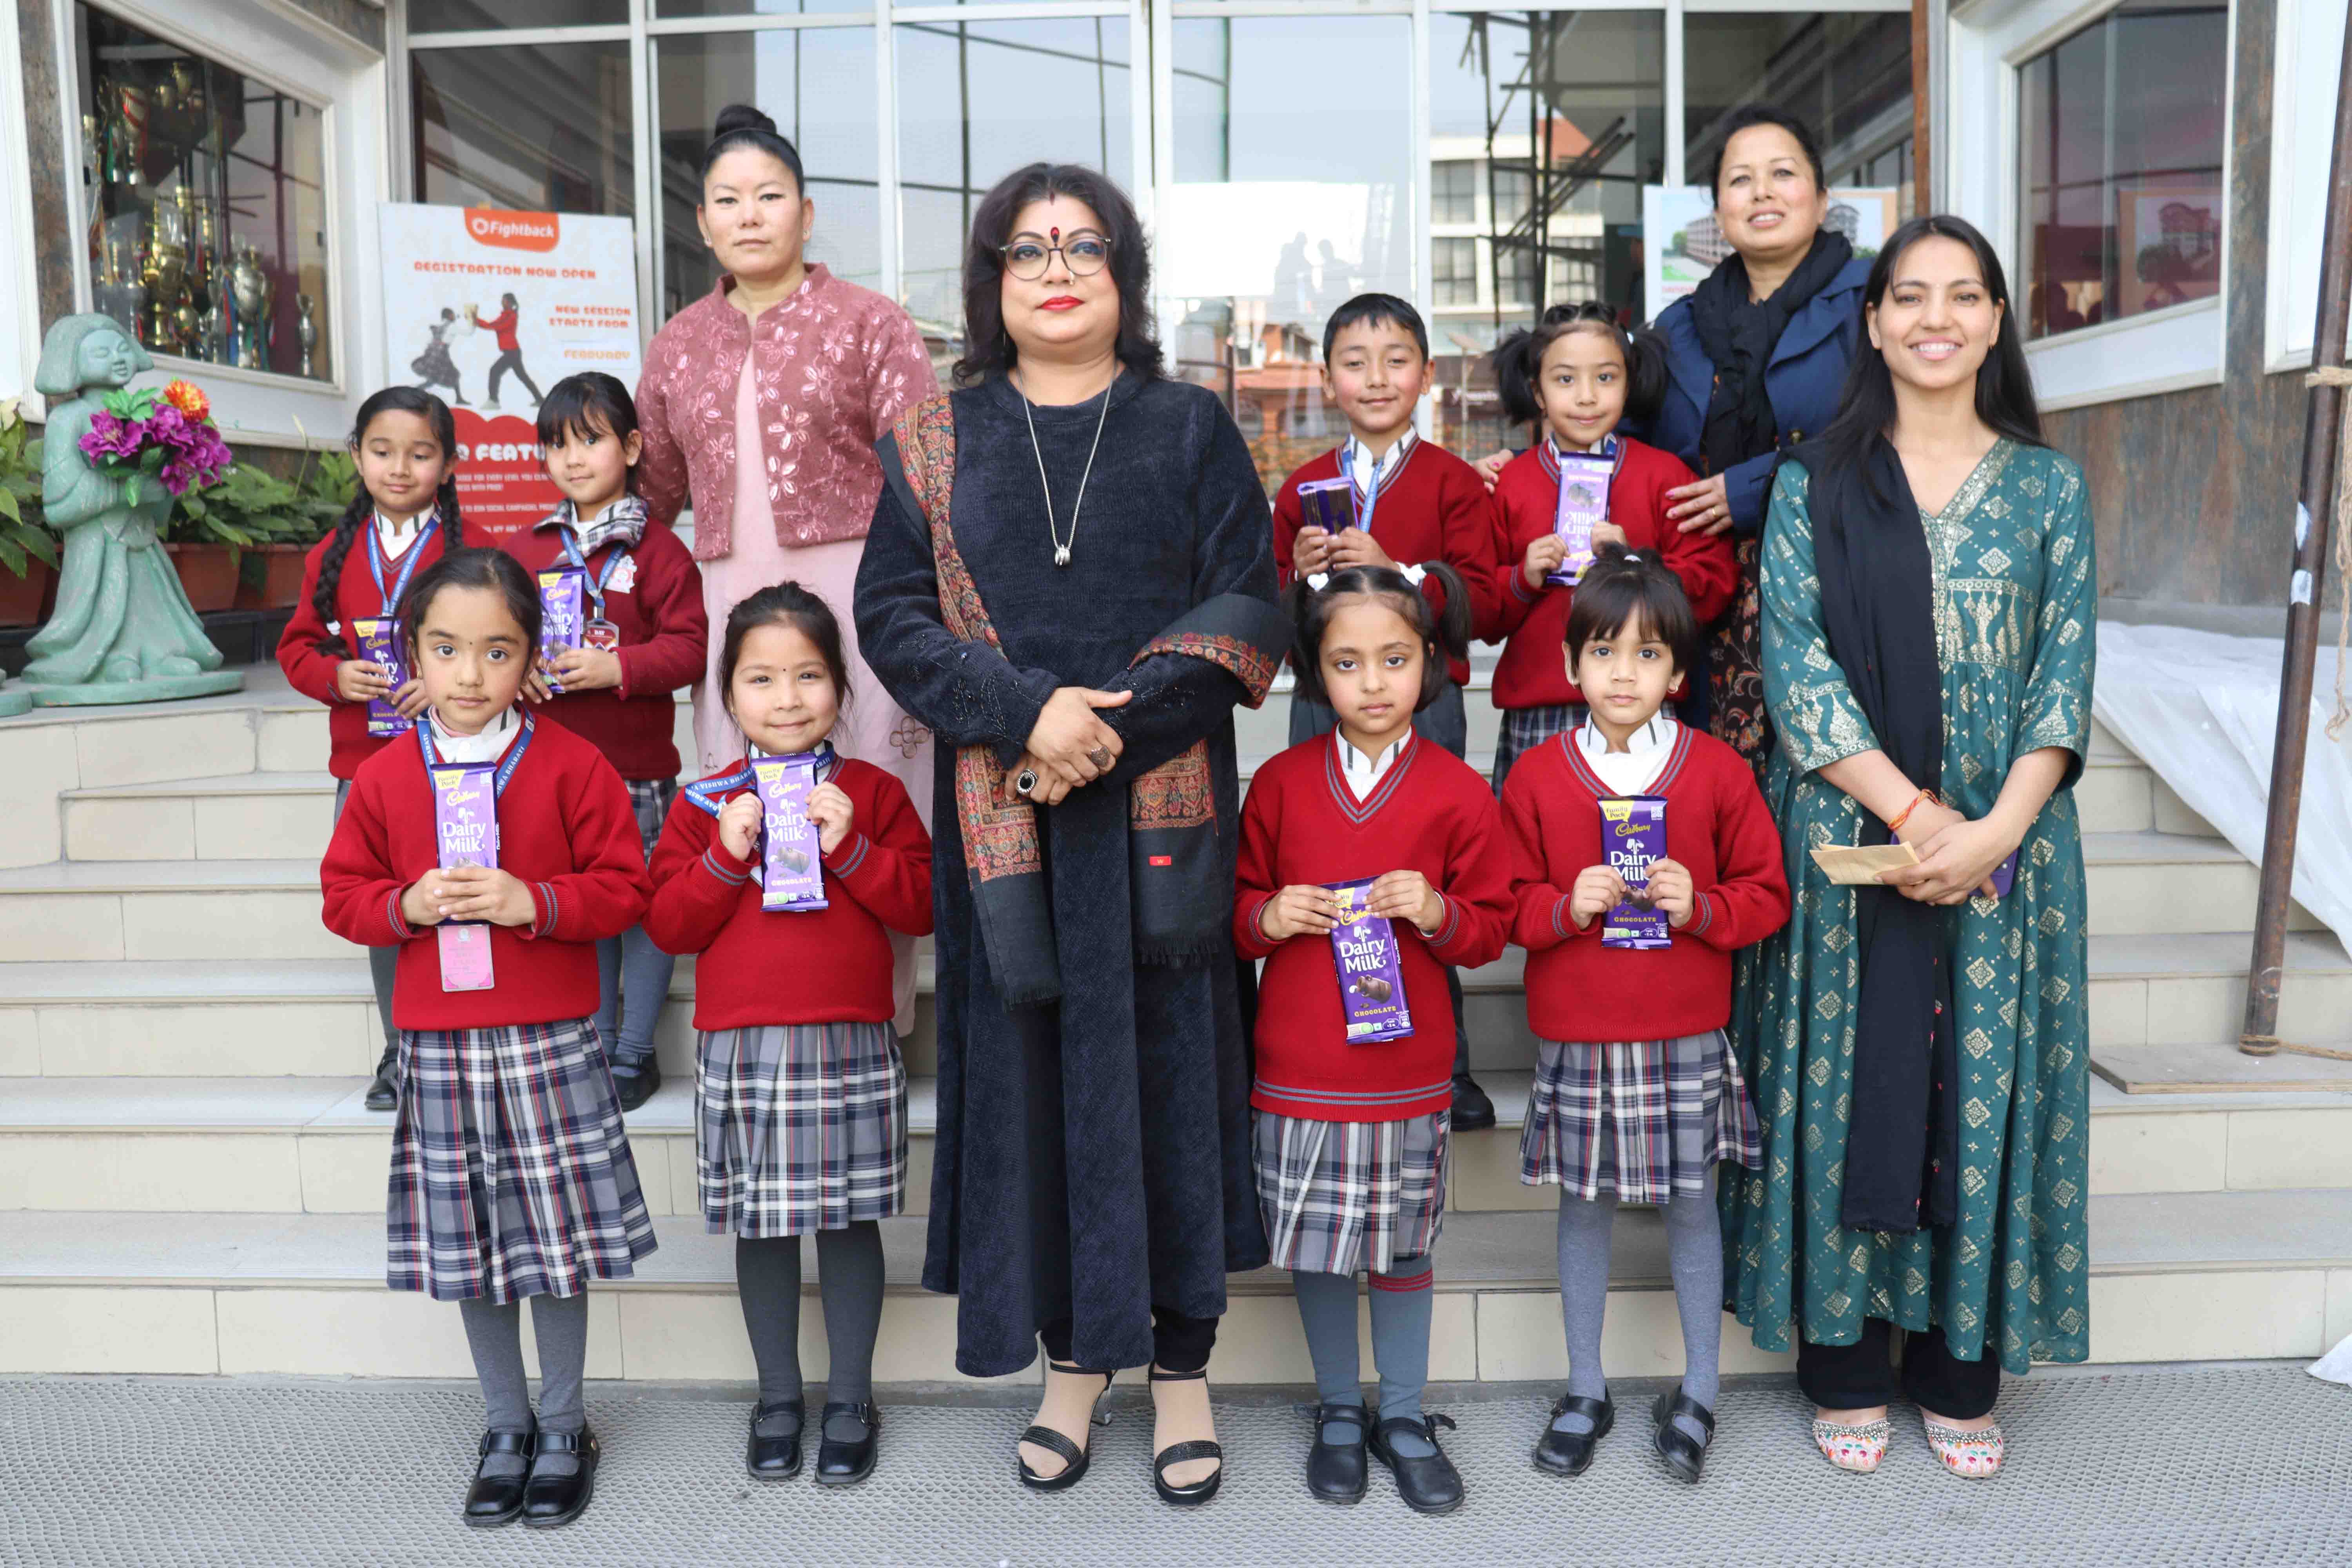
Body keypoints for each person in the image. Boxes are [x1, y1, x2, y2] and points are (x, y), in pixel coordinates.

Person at [854, 162, 1290, 1506]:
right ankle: (1071, 1367)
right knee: (1035, 1095)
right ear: (991, 280)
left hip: (1160, 824)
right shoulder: (934, 438)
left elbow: (1246, 608)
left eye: (1083, 246)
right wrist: (1025, 715)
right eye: (1028, 249)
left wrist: (1098, 733)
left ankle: (1183, 1371)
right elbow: (891, 619)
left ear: (1124, 276)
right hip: (1008, 833)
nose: (1056, 269)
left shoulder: (1189, 426)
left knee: (1170, 1089)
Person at [1726, 215, 2095, 1479]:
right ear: (1874, 323)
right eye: (1910, 296)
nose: (1936, 317)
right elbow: (1797, 669)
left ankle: (1955, 1361)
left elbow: (2063, 680)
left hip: (2011, 849)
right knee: (1845, 1076)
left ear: (1994, 323)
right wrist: (1918, 818)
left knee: (1977, 1077)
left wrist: (1992, 830)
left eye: (1964, 295)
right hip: (1853, 833)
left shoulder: (2048, 488)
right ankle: (1842, 1352)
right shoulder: (1812, 485)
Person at [318, 547, 657, 1530]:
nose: (470, 675)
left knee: (555, 1243)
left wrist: (534, 900)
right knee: (472, 1242)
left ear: (533, 658)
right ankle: (505, 1424)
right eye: (446, 649)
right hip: (440, 1044)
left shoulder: (572, 763)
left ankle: (565, 1425)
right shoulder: (384, 775)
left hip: (551, 1036)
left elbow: (626, 889)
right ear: (411, 654)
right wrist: (406, 905)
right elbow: (343, 897)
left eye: (498, 651)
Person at [637, 102, 940, 1031]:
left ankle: (877, 1011)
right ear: (703, 223)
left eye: (769, 196)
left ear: (806, 214)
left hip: (864, 594)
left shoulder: (870, 322)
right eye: (728, 200)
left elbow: (931, 470)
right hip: (732, 594)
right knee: (746, 786)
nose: (750, 215)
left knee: (867, 791)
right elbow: (652, 492)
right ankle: (759, 999)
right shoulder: (678, 343)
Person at [1499, 547, 1786, 1485]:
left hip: (1683, 1027)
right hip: (1580, 1031)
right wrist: (1561, 907)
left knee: (1692, 1204)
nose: (1624, 673)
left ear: (1678, 673)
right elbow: (1504, 905)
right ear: (1571, 662)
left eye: (1649, 653)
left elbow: (1768, 894)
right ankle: (1586, 1387)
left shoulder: (1716, 772)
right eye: (1604, 651)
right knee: (1583, 1207)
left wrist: (1702, 904)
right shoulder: (1537, 776)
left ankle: (1698, 1388)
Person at [1474, 105, 1869, 779]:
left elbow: (1885, 437)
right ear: (1718, 211)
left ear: (1823, 197)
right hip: (1693, 608)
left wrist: (1751, 488)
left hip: (1828, 579)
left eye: (1783, 174)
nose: (1763, 192)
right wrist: (1531, 464)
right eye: (1741, 179)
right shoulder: (1682, 325)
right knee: (1699, 796)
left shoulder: (1872, 304)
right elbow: (1617, 426)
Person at [1234, 564, 1512, 1515]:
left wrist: (1436, 910)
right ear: (1314, 672)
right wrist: (1270, 915)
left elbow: (1491, 929)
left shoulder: (1458, 792)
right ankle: (1338, 1411)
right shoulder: (1278, 784)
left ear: (1431, 662)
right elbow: (1234, 912)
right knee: (1318, 1247)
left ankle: (1402, 1413)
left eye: (1395, 658)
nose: (1373, 681)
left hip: (1408, 1072)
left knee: (1400, 1249)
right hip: (1301, 1067)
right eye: (1346, 662)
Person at [645, 583, 933, 1489]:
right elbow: (669, 926)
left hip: (849, 1039)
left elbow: (924, 906)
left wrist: (854, 849)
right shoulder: (703, 804)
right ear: (728, 696)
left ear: (841, 688)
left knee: (848, 1223)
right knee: (761, 1228)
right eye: (761, 678)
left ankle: (850, 1397)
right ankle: (777, 1396)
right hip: (742, 1045)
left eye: (809, 675)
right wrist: (724, 855)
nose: (787, 697)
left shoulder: (872, 793)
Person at [1270, 291, 1505, 1132]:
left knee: (1425, 883)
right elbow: (1276, 618)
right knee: (1325, 869)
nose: (1376, 377)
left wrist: (1400, 571)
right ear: (1327, 378)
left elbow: (1485, 602)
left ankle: (1450, 1067)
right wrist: (1300, 576)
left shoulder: (1453, 481)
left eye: (1396, 360)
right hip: (1321, 700)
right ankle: (1330, 1048)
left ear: (1428, 375)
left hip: (1425, 703)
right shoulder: (1302, 487)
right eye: (1355, 362)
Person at [506, 372, 709, 1112]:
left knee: (644, 908)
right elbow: (495, 637)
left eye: (590, 440)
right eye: (556, 444)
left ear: (631, 447)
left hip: (636, 770)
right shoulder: (525, 549)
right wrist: (515, 669)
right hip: (549, 772)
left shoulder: (661, 552)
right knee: (584, 904)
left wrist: (617, 666)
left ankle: (635, 1054)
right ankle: (597, 1042)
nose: (573, 458)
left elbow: (691, 649)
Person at [275, 387, 464, 1112]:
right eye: (383, 452)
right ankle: (400, 1046)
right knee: (385, 905)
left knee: (463, 893)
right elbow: (297, 648)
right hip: (368, 768)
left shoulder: (474, 547)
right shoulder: (333, 552)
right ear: (357, 456)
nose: (400, 469)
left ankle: (466, 1037)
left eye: (420, 454)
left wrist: (443, 685)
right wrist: (337, 677)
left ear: (449, 463)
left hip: (462, 758)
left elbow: (509, 646)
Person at [1485, 305, 1737, 795]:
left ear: (1629, 382)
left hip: (1645, 704)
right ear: (1537, 392)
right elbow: (1480, 612)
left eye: (1605, 377)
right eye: (1565, 379)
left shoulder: (1665, 476)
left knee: (1644, 841)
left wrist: (1640, 563)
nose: (1586, 396)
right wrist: (1522, 577)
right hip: (1542, 707)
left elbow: (1715, 582)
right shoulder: (1509, 483)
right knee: (1536, 834)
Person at [470, 293, 543, 410]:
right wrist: (476, 320)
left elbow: (493, 326)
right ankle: (540, 400)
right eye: (502, 300)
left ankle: (493, 401)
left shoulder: (511, 316)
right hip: (512, 352)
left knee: (494, 371)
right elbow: (492, 325)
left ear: (510, 302)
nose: (502, 302)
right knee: (523, 377)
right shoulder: (505, 316)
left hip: (512, 353)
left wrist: (476, 320)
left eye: (504, 301)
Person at [411, 308, 470, 405]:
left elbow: (431, 342)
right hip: (441, 356)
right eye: (453, 314)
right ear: (449, 315)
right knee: (450, 375)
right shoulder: (451, 326)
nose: (454, 316)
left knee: (436, 378)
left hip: (434, 354)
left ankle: (416, 391)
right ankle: (459, 399)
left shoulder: (440, 327)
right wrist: (472, 320)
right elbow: (469, 333)